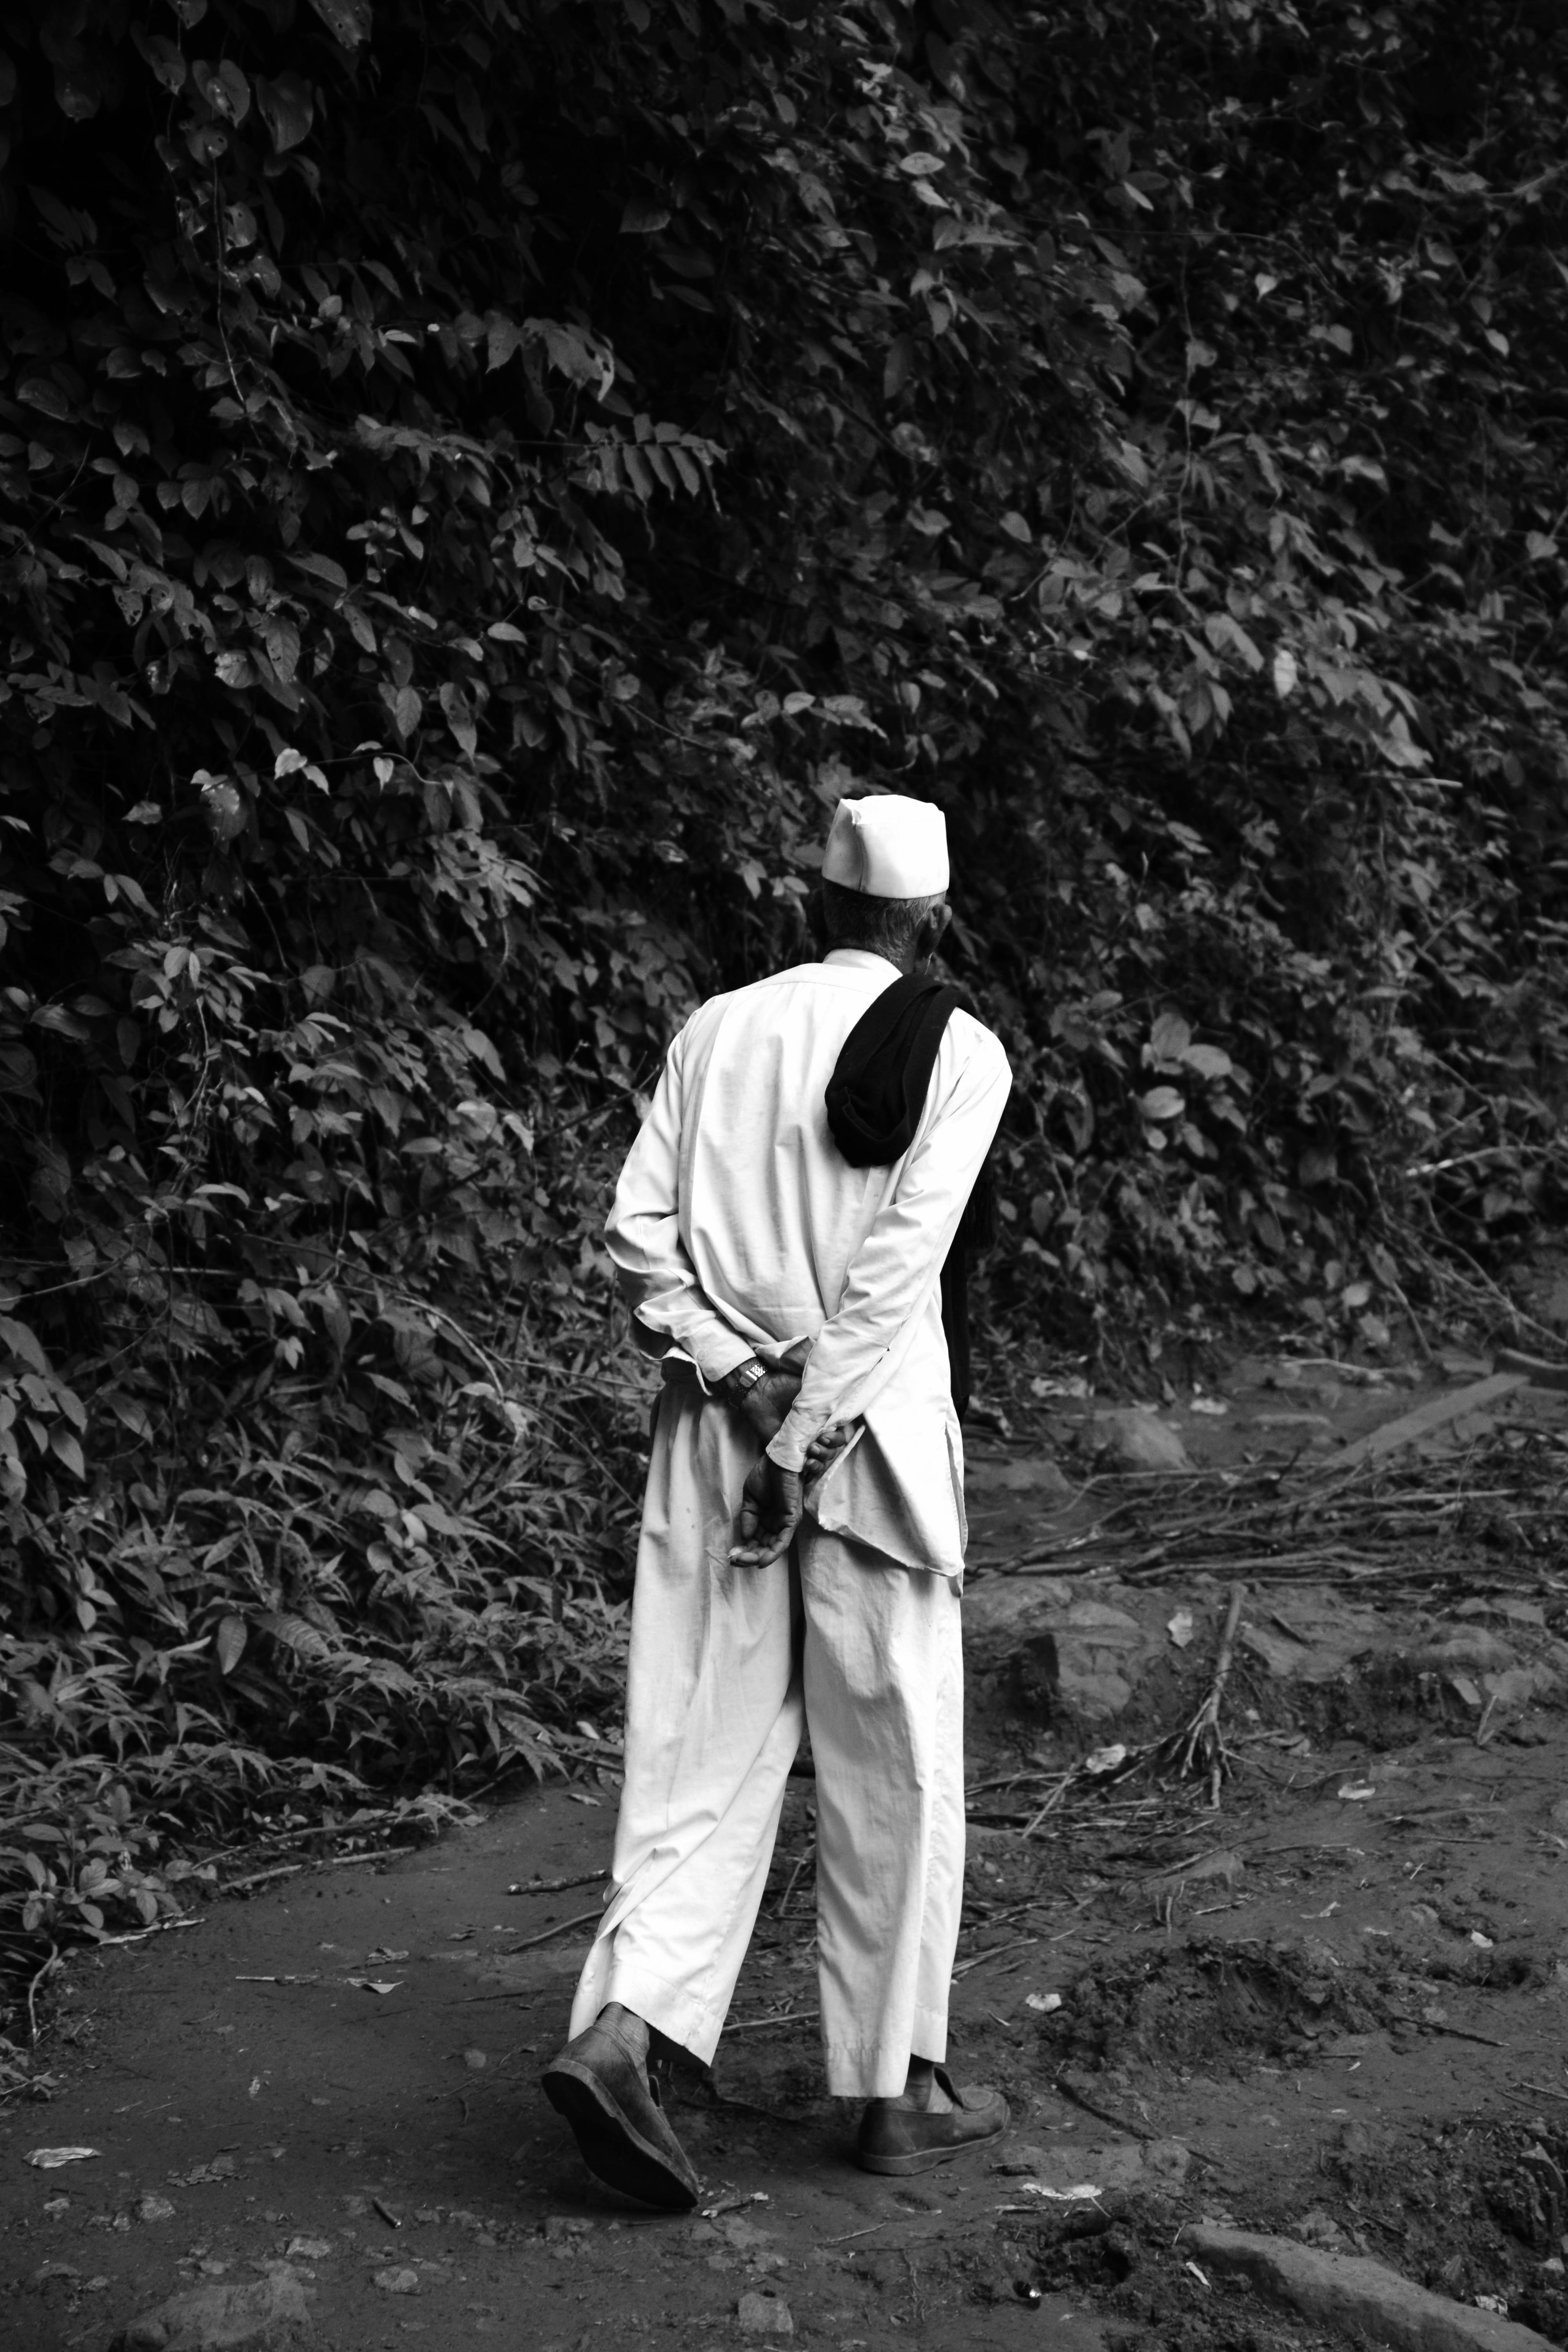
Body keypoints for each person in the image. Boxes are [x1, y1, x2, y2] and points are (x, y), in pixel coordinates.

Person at [541, 793, 1013, 2209]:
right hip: (865, 1453)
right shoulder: (963, 1052)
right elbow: (890, 1285)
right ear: (928, 918)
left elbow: (634, 1238)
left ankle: (625, 2035)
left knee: (696, 1757)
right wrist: (809, 1436)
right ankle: (893, 2090)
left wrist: (743, 1378)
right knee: (897, 1771)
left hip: (717, 1440)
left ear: (812, 901)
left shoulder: (718, 1028)